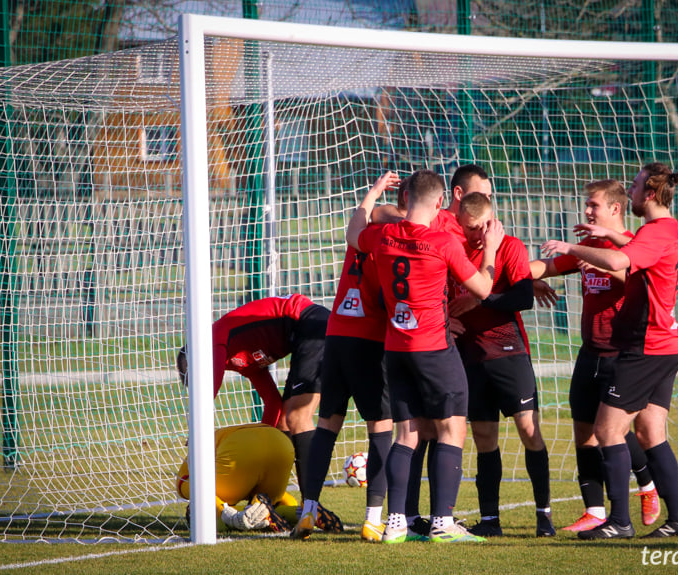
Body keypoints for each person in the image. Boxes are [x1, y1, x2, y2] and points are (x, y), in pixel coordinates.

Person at [347, 168, 502, 544]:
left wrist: (373, 192)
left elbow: (353, 233)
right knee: (452, 428)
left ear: (405, 200)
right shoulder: (442, 242)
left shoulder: (382, 236)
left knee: (408, 433)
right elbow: (482, 287)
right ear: (438, 204)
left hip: (396, 349)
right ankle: (442, 524)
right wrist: (492, 249)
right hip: (433, 348)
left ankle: (396, 522)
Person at [541, 162, 678, 539]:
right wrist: (601, 235)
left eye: (638, 185)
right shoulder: (669, 231)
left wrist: (571, 246)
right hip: (668, 344)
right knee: (650, 432)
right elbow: (635, 251)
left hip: (646, 347)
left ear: (651, 194)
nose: (632, 190)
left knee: (608, 431)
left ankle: (619, 522)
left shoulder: (655, 232)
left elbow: (616, 261)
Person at [530, 179, 661, 532]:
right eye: (587, 205)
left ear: (615, 209)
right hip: (590, 352)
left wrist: (607, 269)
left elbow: (640, 278)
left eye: (594, 206)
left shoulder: (634, 244)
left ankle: (647, 487)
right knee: (584, 433)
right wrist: (517, 274)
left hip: (624, 354)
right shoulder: (589, 245)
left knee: (614, 431)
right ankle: (594, 511)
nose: (587, 211)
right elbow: (549, 266)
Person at [292, 172, 400, 542]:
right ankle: (372, 518)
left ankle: (308, 510)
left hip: (335, 338)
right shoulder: (390, 246)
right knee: (381, 428)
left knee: (326, 427)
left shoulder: (357, 240)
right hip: (369, 342)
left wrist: (374, 192)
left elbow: (362, 216)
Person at [447, 191, 554, 538]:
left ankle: (544, 515)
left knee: (529, 430)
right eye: (468, 228)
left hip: (509, 353)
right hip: (470, 357)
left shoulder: (511, 247)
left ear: (491, 221)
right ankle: (490, 520)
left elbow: (523, 297)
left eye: (479, 228)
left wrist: (479, 299)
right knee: (483, 437)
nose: (474, 235)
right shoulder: (455, 247)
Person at [176, 293, 333, 516]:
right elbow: (272, 402)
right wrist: (264, 443)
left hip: (310, 322)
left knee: (298, 418)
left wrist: (196, 431)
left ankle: (310, 508)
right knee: (283, 422)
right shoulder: (242, 360)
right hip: (307, 331)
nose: (194, 381)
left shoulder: (213, 338)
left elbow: (210, 389)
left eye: (192, 373)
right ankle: (269, 498)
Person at [176, 423, 297, 533]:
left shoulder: (206, 447)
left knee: (186, 488)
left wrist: (220, 511)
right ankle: (302, 513)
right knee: (271, 502)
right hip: (280, 441)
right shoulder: (215, 438)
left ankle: (228, 516)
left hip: (241, 446)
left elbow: (183, 482)